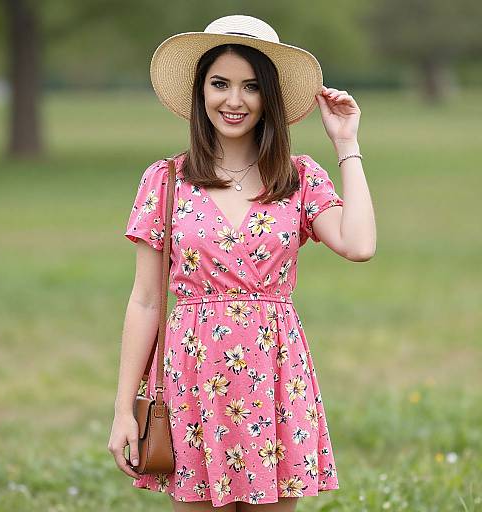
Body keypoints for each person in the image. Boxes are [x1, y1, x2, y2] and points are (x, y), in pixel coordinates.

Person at [108, 14, 376, 512]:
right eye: (220, 84)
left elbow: (358, 244)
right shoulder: (165, 180)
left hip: (274, 377)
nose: (234, 101)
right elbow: (145, 301)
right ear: (200, 91)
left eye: (251, 86)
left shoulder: (298, 177)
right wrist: (125, 408)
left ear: (268, 96)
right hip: (192, 380)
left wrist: (347, 144)